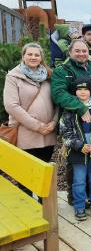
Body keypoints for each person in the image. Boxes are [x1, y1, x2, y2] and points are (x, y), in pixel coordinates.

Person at [51, 38, 91, 205]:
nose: (81, 54)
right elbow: (59, 93)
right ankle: (75, 197)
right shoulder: (63, 71)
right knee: (76, 160)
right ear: (70, 52)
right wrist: (80, 108)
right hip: (74, 122)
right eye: (78, 51)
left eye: (84, 51)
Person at [4, 43, 58, 195]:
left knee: (43, 172)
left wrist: (53, 122)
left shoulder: (49, 76)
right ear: (23, 56)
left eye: (37, 55)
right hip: (25, 134)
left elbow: (57, 102)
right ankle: (29, 208)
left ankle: (43, 207)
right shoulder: (14, 76)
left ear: (41, 58)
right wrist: (37, 126)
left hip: (48, 133)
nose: (33, 57)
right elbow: (11, 105)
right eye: (30, 54)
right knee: (26, 175)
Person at [59, 77, 91, 221]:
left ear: (90, 91)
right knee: (79, 180)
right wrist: (79, 146)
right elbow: (65, 132)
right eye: (79, 89)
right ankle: (79, 206)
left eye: (85, 89)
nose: (83, 92)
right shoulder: (70, 107)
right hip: (78, 150)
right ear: (75, 91)